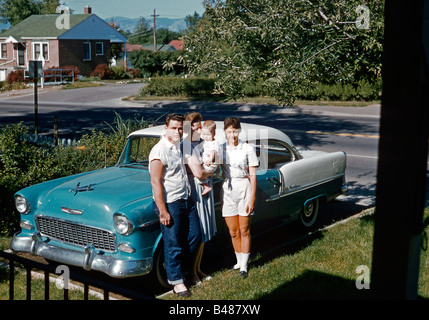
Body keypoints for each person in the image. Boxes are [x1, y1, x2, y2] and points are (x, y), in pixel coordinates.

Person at [149, 113, 201, 297]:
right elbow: (156, 183)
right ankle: (177, 282)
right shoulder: (159, 151)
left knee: (196, 235)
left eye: (180, 128)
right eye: (174, 128)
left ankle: (182, 271)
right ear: (166, 128)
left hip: (186, 200)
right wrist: (163, 211)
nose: (178, 131)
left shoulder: (180, 146)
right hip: (170, 203)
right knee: (173, 243)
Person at [221, 117, 258, 279]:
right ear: (225, 132)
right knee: (233, 231)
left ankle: (244, 264)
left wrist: (252, 199)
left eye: (235, 131)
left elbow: (253, 175)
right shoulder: (221, 149)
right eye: (229, 131)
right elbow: (212, 168)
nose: (232, 135)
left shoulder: (248, 148)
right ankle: (238, 260)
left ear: (239, 131)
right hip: (228, 190)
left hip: (244, 188)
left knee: (244, 230)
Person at [182, 112, 217, 284]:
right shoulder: (186, 145)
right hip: (196, 187)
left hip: (205, 184)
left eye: (199, 124)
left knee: (204, 232)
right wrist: (210, 171)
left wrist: (212, 167)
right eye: (195, 125)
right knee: (199, 231)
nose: (199, 128)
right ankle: (191, 272)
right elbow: (197, 172)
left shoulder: (201, 142)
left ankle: (198, 268)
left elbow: (217, 156)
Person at [196, 120, 221, 196]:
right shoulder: (206, 141)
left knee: (198, 173)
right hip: (207, 163)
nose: (205, 137)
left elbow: (213, 152)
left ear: (214, 134)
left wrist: (210, 160)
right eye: (203, 134)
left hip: (211, 164)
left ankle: (206, 186)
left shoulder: (214, 143)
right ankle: (206, 183)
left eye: (208, 135)